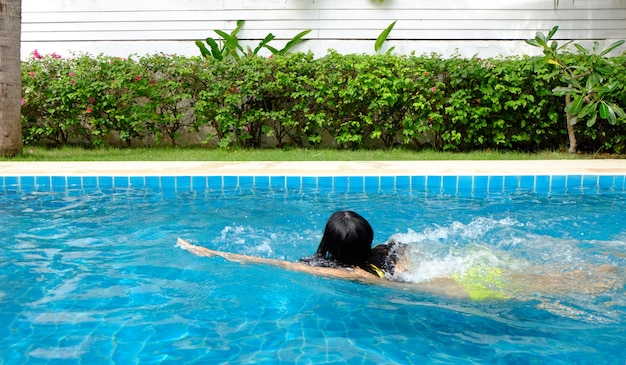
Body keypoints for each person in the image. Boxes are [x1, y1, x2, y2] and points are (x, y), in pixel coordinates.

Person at [176, 210, 622, 301]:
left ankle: (601, 279)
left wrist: (209, 253)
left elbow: (268, 263)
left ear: (327, 243)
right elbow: (409, 249)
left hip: (439, 289)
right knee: (539, 279)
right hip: (438, 270)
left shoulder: (342, 273)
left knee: (528, 293)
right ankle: (603, 270)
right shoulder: (389, 250)